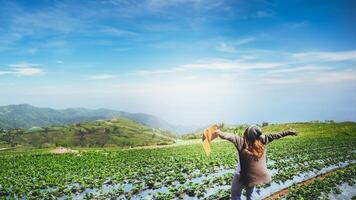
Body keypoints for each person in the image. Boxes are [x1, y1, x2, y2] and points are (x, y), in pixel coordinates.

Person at [215, 125, 297, 200]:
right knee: (250, 196)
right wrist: (288, 132)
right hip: (253, 177)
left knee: (235, 195)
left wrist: (219, 132)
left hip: (240, 175)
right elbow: (276, 135)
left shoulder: (242, 142)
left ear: (247, 134)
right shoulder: (263, 140)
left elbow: (230, 136)